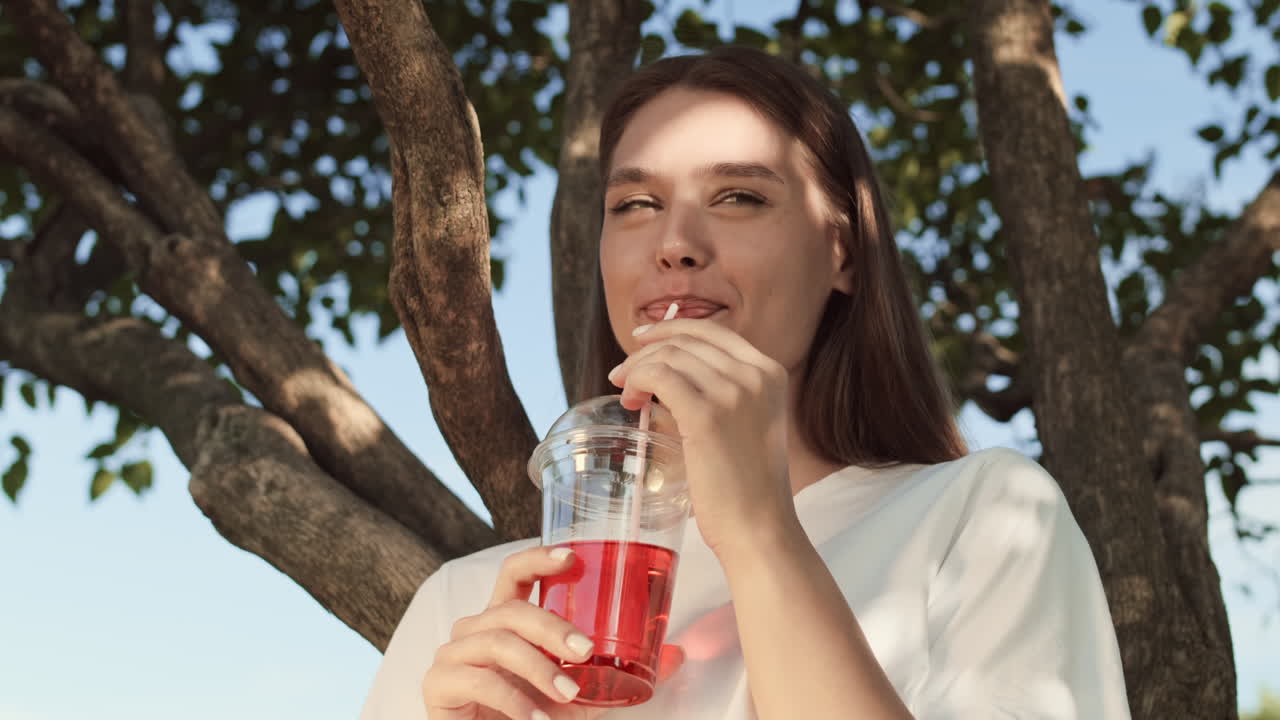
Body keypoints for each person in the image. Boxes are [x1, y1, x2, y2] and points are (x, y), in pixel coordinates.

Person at [359, 46, 1131, 720]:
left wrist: (761, 538)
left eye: (739, 197)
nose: (676, 243)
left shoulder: (978, 517)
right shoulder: (468, 610)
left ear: (845, 253)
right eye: (636, 204)